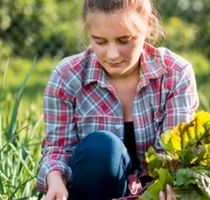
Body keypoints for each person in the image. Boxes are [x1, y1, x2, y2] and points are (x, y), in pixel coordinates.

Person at [36, 0, 199, 199]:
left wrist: (168, 186)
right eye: (100, 41)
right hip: (93, 189)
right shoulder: (67, 77)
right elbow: (58, 149)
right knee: (101, 148)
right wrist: (55, 180)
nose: (112, 54)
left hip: (155, 191)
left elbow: (173, 153)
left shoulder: (175, 74)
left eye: (124, 40)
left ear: (148, 25)